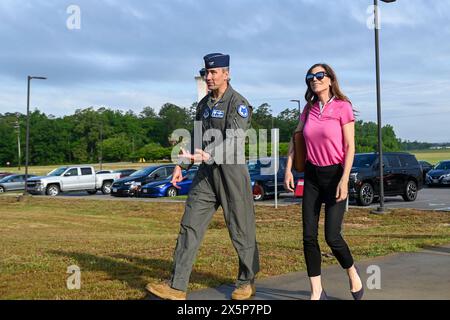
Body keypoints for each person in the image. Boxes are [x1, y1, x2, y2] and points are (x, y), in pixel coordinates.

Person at [146, 53, 260, 300]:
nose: (208, 77)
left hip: (231, 173)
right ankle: (177, 286)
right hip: (205, 174)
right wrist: (181, 165)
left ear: (226, 74)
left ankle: (246, 280)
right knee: (190, 225)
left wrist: (207, 155)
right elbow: (195, 138)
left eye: (213, 73)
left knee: (241, 229)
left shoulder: (238, 103)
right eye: (206, 73)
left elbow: (234, 141)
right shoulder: (203, 105)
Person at [284, 63, 363, 300]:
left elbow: (350, 147)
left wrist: (345, 180)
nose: (315, 79)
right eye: (311, 77)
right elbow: (295, 138)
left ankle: (352, 273)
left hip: (335, 176)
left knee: (332, 237)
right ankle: (316, 292)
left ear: (330, 80)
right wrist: (288, 170)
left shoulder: (342, 107)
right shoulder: (308, 110)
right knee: (308, 235)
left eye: (320, 75)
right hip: (312, 176)